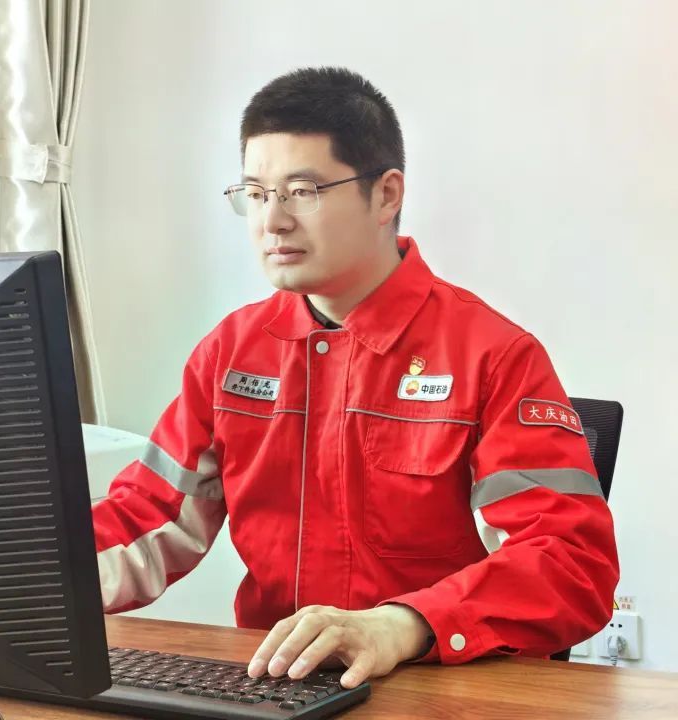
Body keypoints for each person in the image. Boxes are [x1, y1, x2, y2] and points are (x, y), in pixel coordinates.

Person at [91, 66, 619, 689]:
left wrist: (404, 624)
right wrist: (14, 574)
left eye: (303, 190)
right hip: (277, 685)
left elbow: (571, 565)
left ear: (387, 195)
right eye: (255, 194)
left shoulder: (494, 356)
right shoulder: (231, 354)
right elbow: (147, 519)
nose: (273, 221)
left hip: (441, 685)